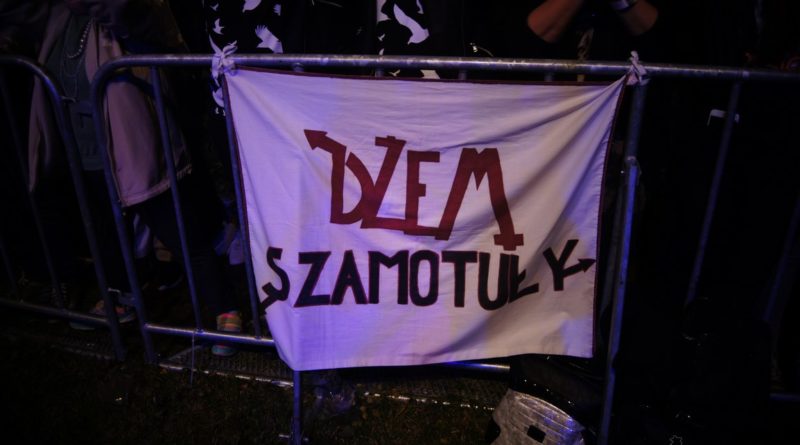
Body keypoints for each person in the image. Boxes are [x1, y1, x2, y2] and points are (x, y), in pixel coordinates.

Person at [6, 0, 242, 356]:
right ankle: (120, 297)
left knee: (177, 229)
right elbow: (15, 12)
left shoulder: (121, 17)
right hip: (87, 152)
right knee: (105, 231)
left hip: (135, 147)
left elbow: (125, 12)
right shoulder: (58, 16)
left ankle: (225, 308)